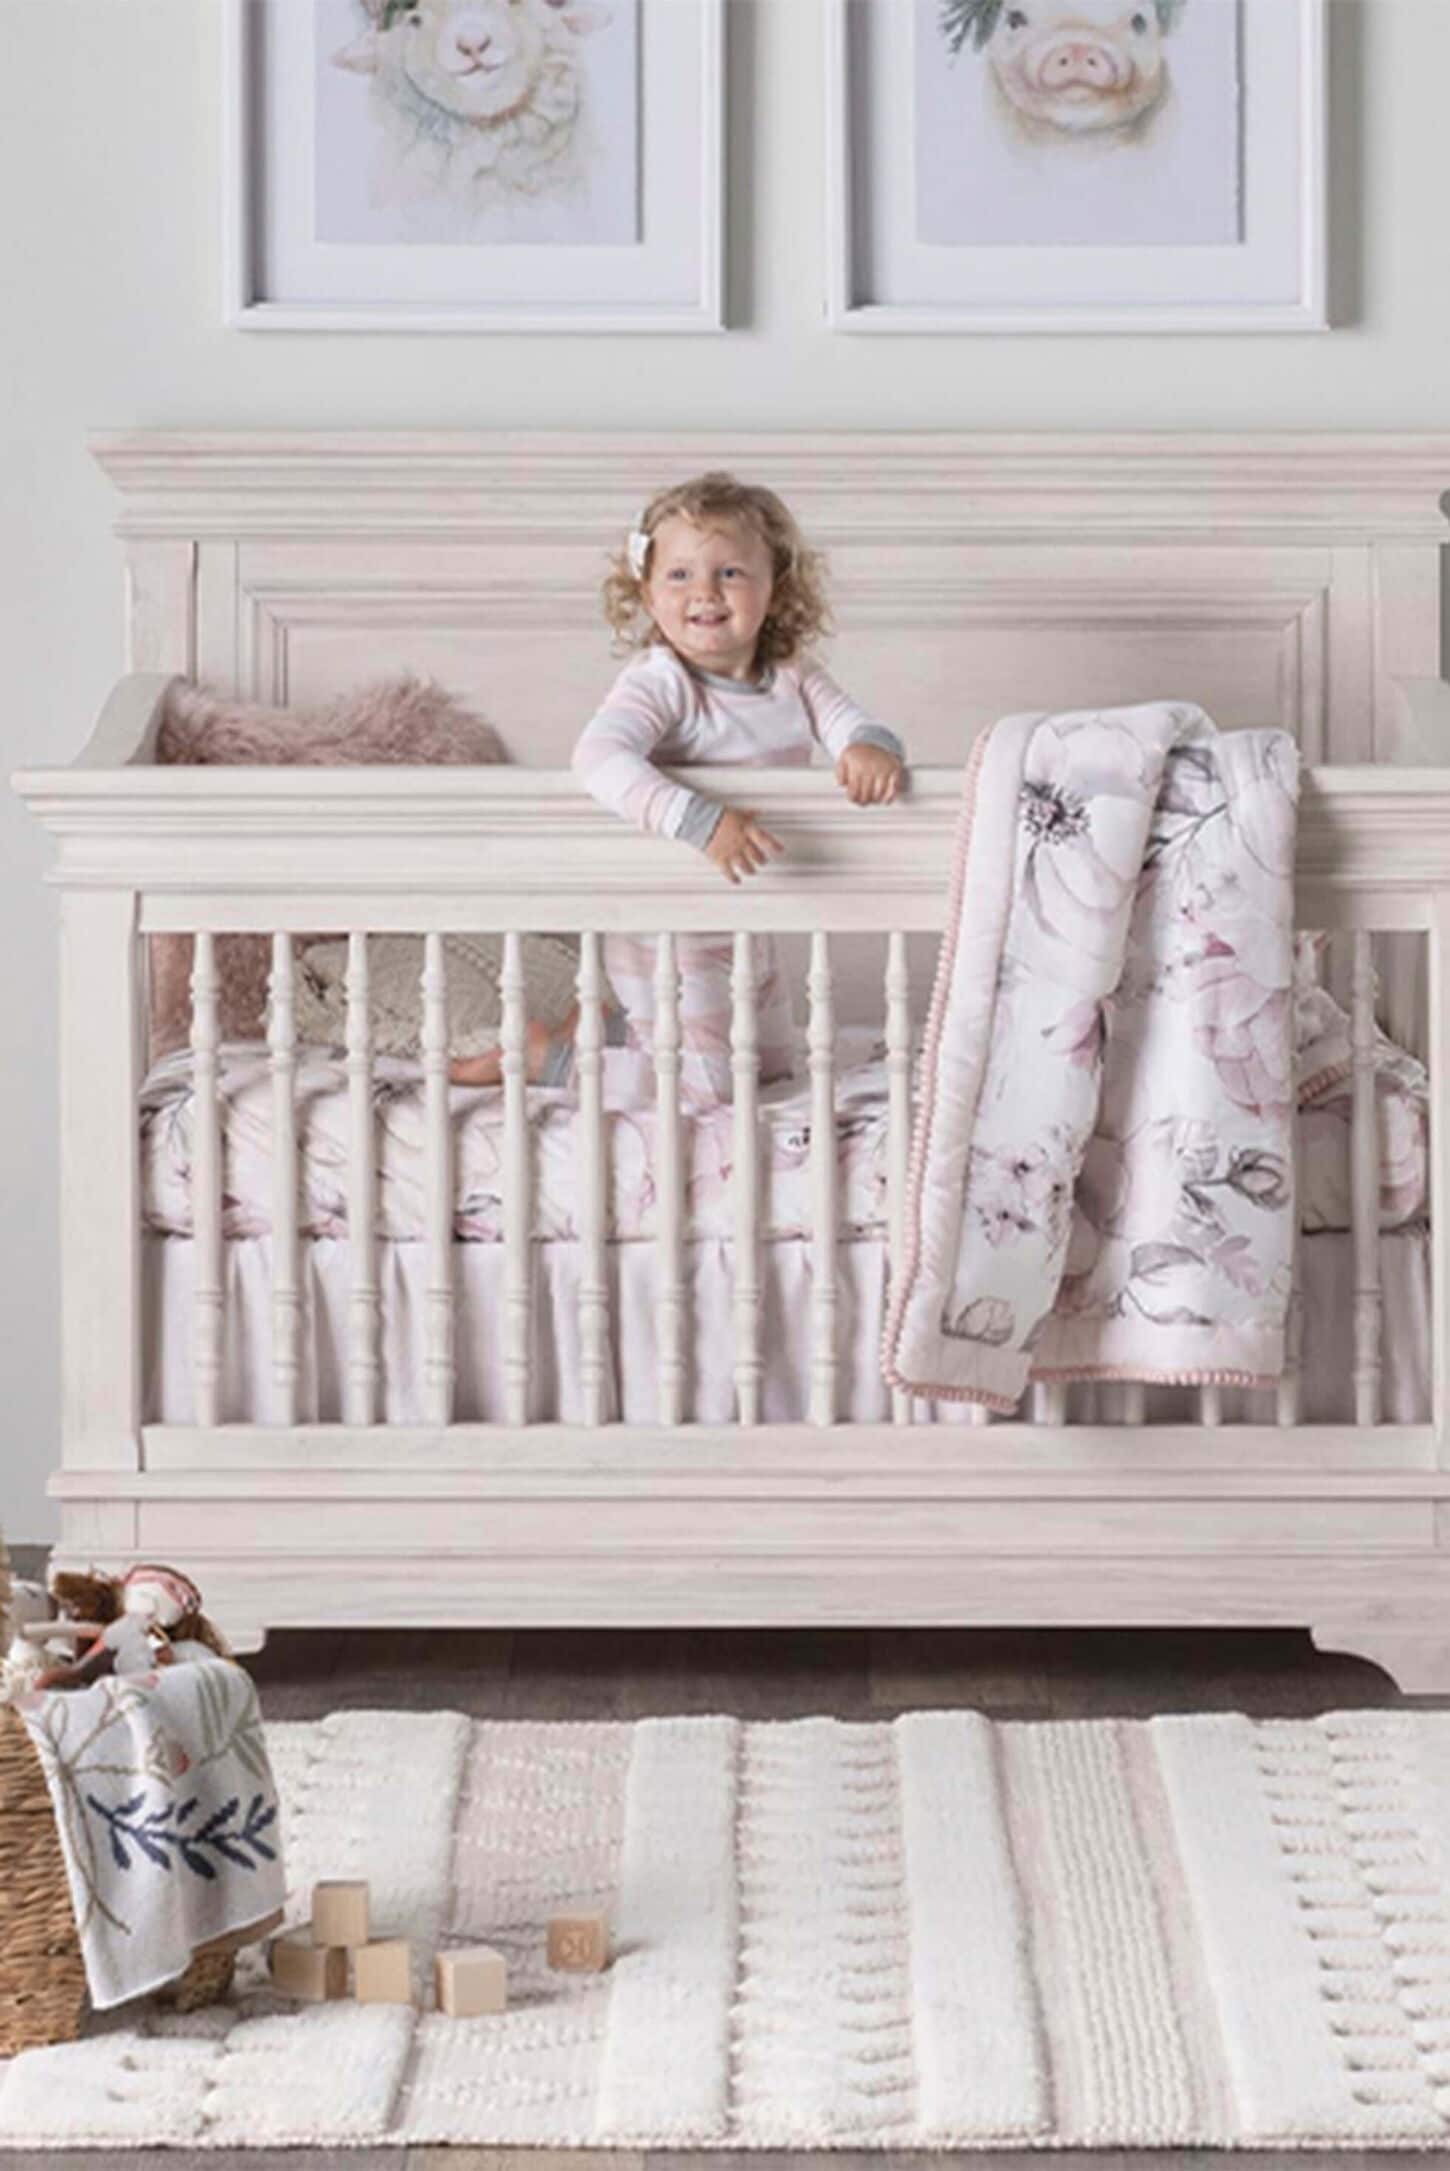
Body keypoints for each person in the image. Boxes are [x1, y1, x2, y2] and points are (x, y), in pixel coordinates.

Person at [450, 470, 906, 1105]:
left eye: (730, 572)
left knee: (774, 1067)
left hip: (751, 916)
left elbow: (852, 726)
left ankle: (608, 1027)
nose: (705, 592)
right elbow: (599, 756)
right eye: (680, 574)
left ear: (776, 586)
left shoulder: (792, 677)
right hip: (669, 923)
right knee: (713, 1087)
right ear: (646, 590)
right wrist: (700, 821)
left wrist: (871, 748)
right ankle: (547, 1059)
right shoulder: (662, 681)